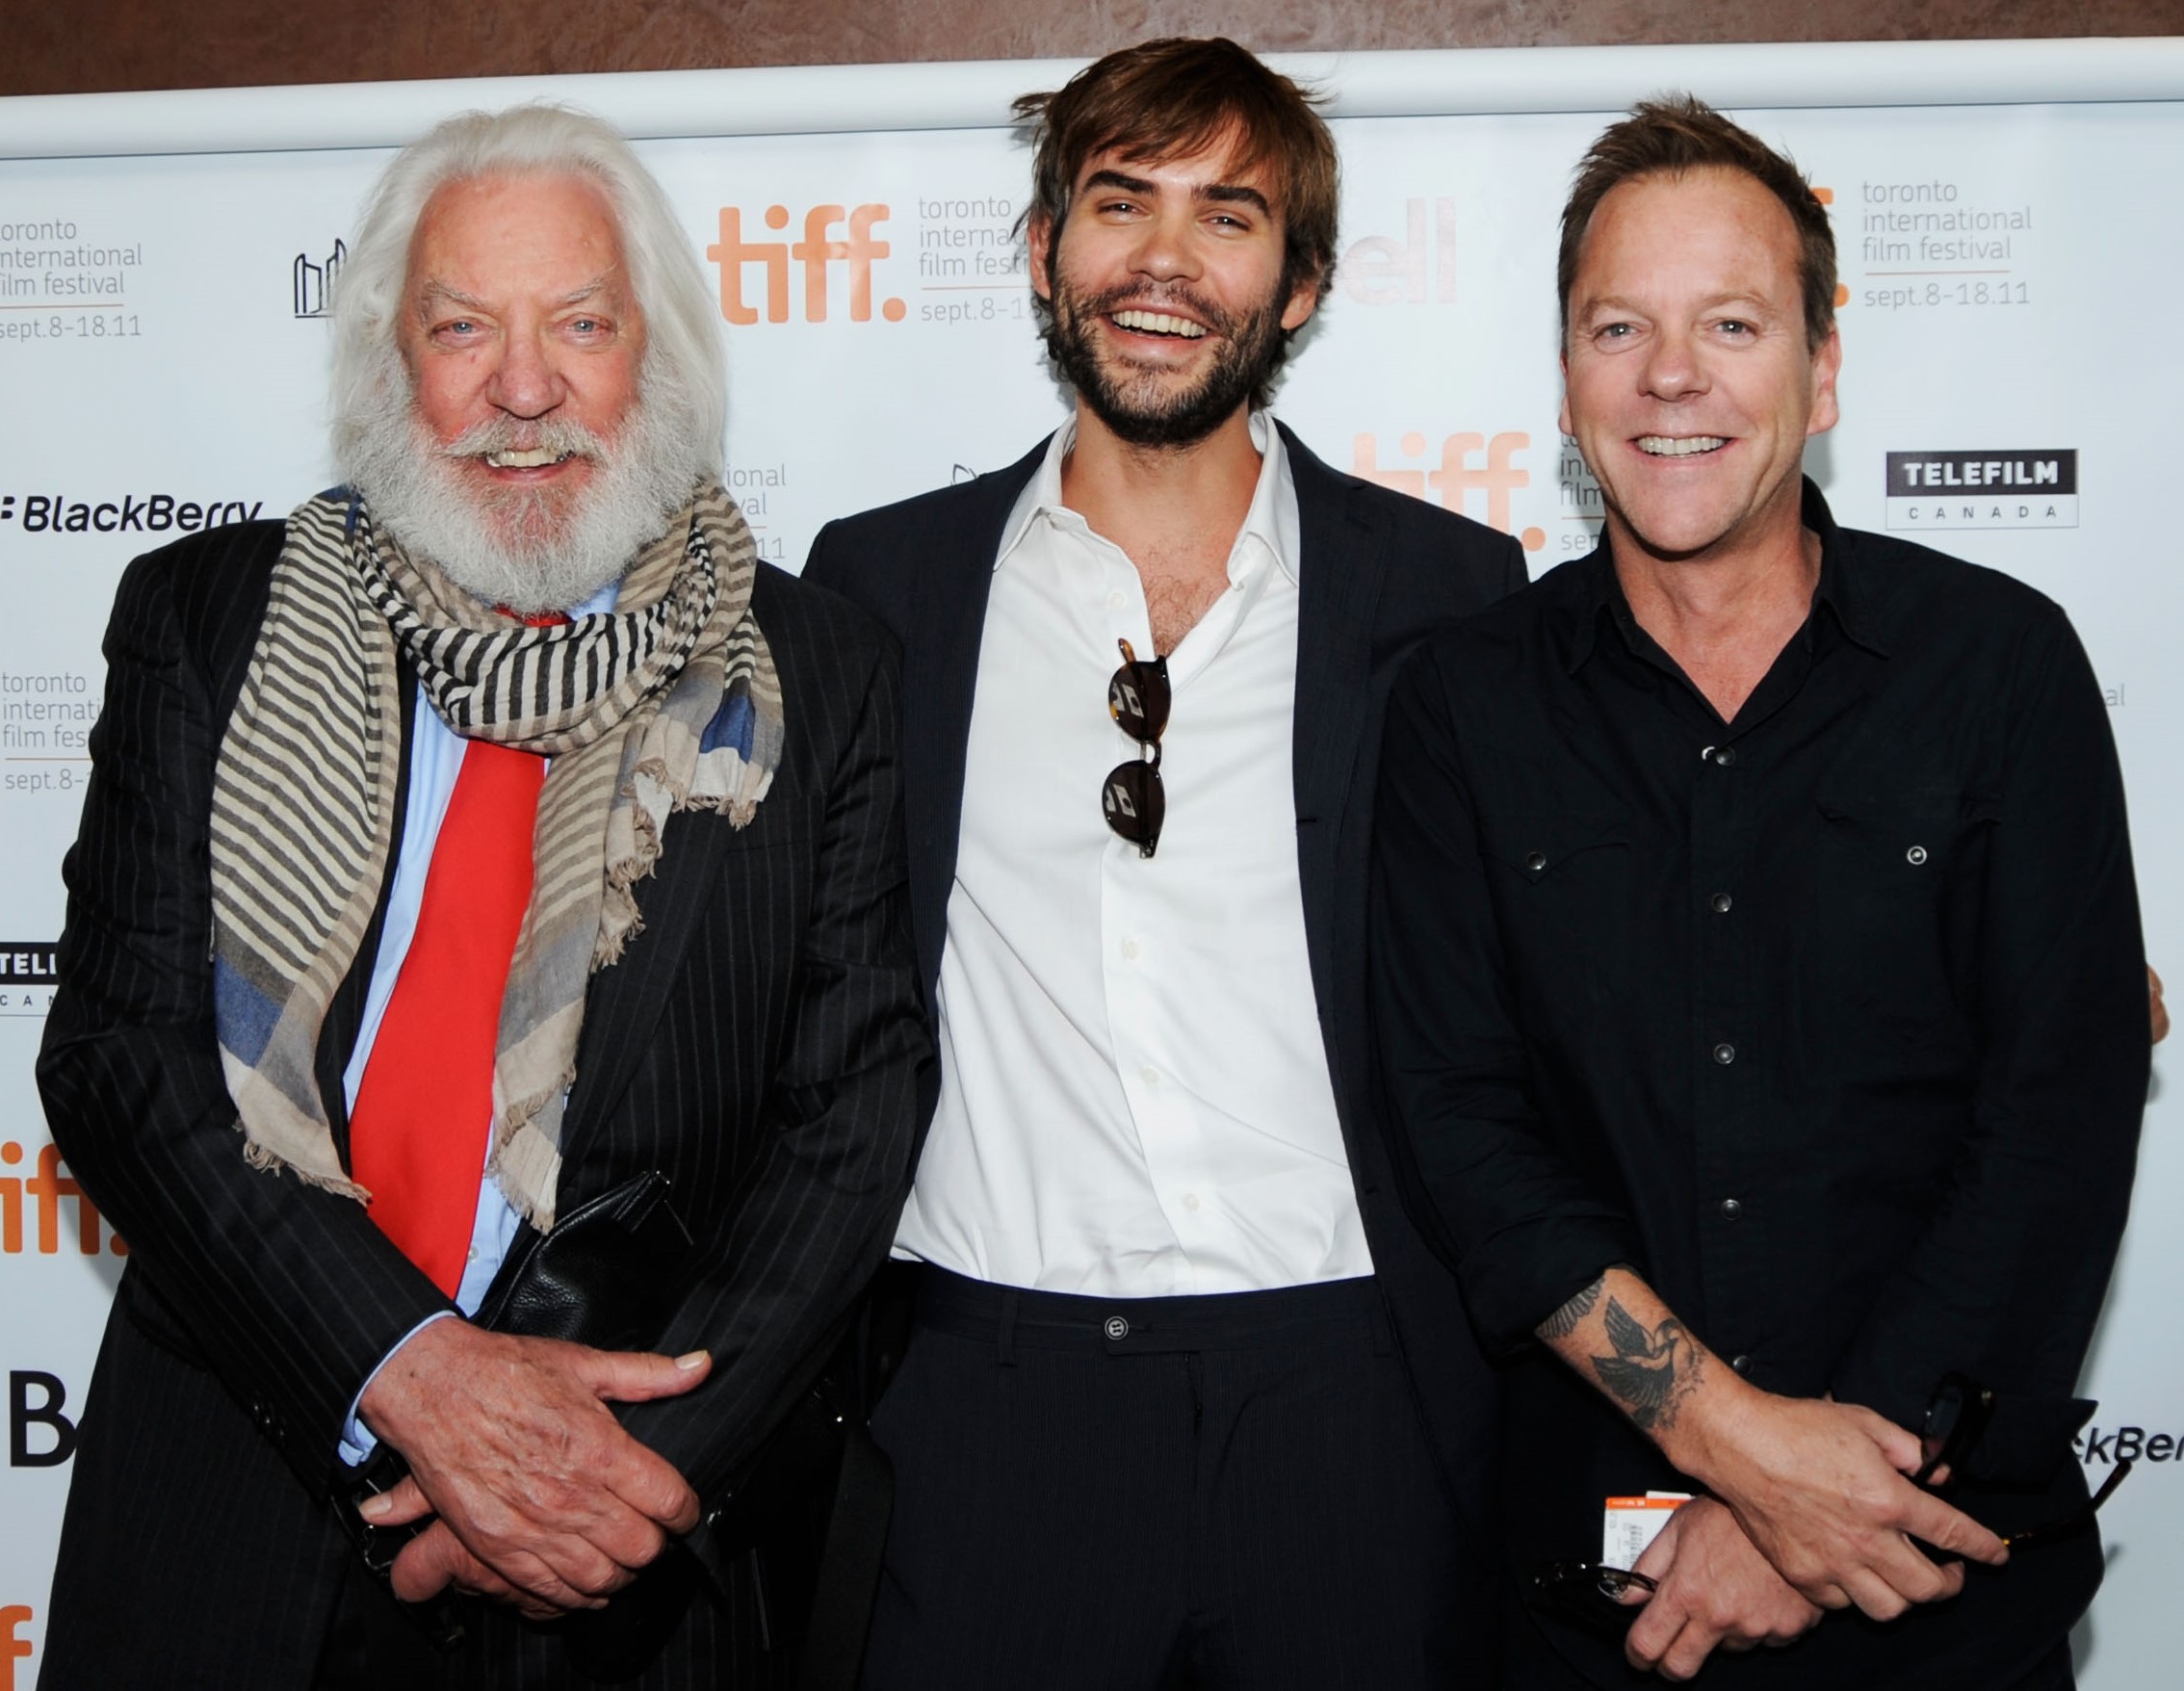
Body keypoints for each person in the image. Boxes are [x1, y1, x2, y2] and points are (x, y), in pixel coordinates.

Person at [36, 104, 929, 1688]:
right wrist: (412, 1373)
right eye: (465, 329)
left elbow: (852, 1119)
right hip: (232, 1506)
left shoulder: (818, 679)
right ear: (393, 365)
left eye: (581, 324)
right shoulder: (208, 621)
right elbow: (125, 1059)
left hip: (621, 1561)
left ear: (656, 356)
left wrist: (617, 1485)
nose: (527, 390)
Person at [1370, 95, 2147, 1690]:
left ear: (1824, 368)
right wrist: (1739, 1449)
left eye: (1732, 322)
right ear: (1568, 374)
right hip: (1596, 1599)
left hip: (1934, 1576)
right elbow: (1464, 1132)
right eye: (1620, 326)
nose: (1673, 376)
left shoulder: (2002, 669)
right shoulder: (1463, 703)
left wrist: (1820, 1498)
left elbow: (2055, 1119)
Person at [802, 36, 1525, 1691]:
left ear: (1304, 284)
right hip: (988, 1407)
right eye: (1120, 203)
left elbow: (1596, 958)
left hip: (1360, 1398)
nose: (1165, 264)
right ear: (1045, 247)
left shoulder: (1453, 595)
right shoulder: (882, 586)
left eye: (1230, 217)